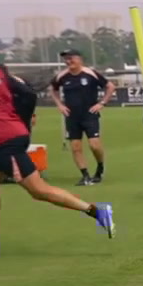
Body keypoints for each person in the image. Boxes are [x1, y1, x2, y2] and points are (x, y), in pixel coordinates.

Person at [0, 34, 113, 258]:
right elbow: (27, 93)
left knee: (38, 190)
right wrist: (22, 122)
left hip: (5, 141)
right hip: (9, 138)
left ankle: (97, 212)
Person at [50, 49, 114, 186]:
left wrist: (102, 103)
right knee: (75, 147)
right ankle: (85, 175)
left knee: (94, 145)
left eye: (71, 58)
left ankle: (100, 168)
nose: (68, 61)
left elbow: (110, 86)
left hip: (89, 115)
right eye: (66, 59)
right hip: (72, 116)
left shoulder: (90, 73)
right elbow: (53, 89)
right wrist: (59, 105)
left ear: (80, 59)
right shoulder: (62, 76)